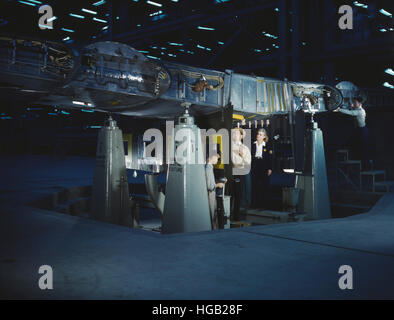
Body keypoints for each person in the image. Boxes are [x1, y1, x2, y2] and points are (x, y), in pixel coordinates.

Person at [334, 96, 370, 170]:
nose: (354, 104)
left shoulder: (360, 111)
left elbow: (351, 113)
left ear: (359, 103)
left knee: (364, 149)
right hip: (359, 130)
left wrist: (339, 109)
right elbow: (351, 108)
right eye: (354, 102)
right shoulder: (357, 109)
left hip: (362, 131)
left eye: (355, 102)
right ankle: (349, 157)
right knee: (350, 143)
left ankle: (366, 167)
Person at [231, 127, 252, 221]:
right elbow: (233, 161)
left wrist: (242, 155)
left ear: (241, 136)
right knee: (230, 194)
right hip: (231, 172)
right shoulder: (229, 147)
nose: (235, 135)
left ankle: (236, 217)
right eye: (234, 133)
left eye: (237, 133)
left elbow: (248, 162)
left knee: (239, 195)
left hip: (240, 173)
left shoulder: (245, 148)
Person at [251, 128, 273, 209]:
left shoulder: (267, 145)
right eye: (258, 134)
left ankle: (264, 205)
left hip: (263, 165)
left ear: (264, 136)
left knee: (264, 185)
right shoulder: (253, 144)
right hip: (255, 164)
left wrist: (270, 168)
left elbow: (270, 157)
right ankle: (254, 204)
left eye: (260, 134)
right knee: (255, 185)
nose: (258, 135)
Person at [205, 153, 225, 230]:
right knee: (213, 214)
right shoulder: (209, 168)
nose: (217, 160)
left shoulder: (208, 167)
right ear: (211, 158)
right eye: (216, 158)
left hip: (211, 194)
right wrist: (218, 185)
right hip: (211, 195)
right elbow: (210, 186)